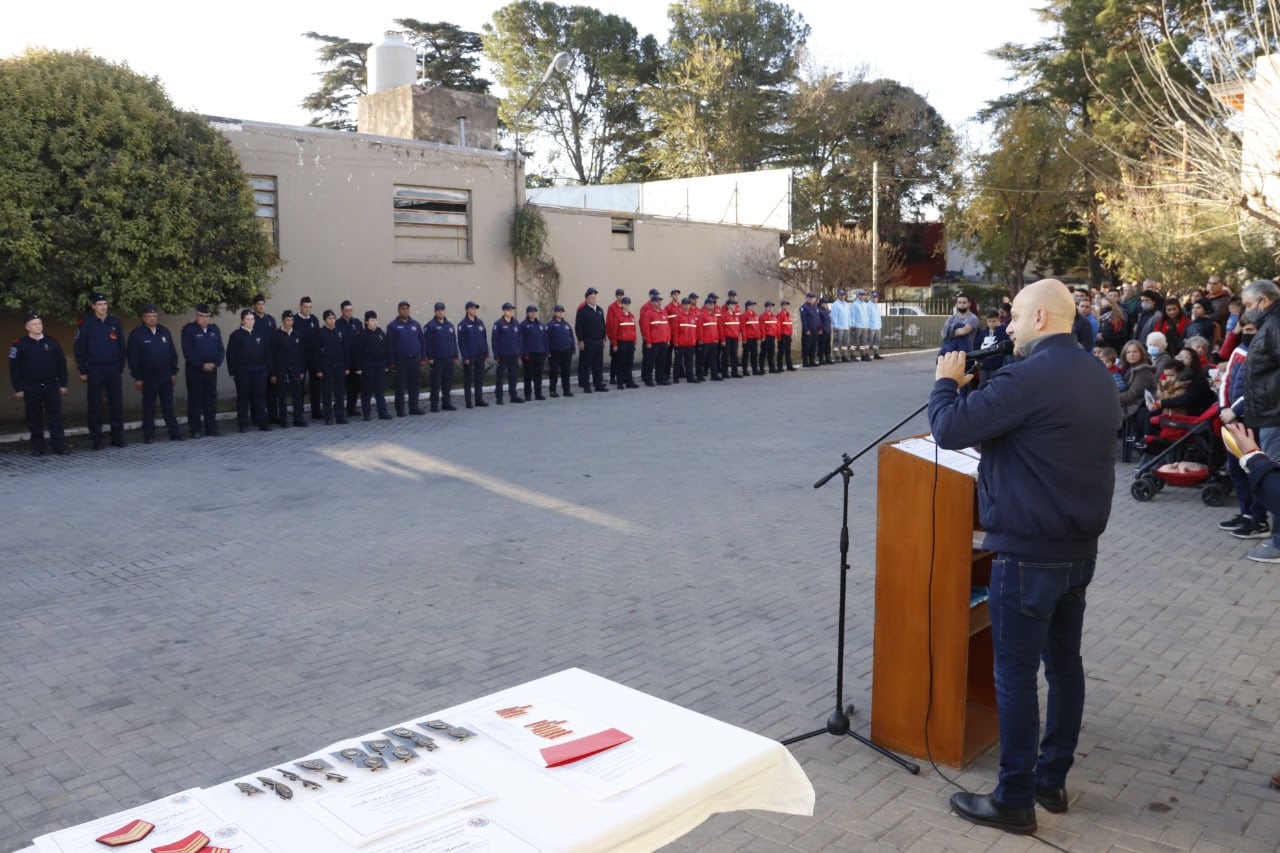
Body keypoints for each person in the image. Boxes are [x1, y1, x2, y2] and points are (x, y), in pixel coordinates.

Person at [930, 279, 1119, 836]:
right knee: (1064, 667)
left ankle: (1014, 799)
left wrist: (946, 382)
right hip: (1077, 551)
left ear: (1039, 317)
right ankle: (1050, 779)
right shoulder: (1094, 373)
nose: (1006, 327)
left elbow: (949, 428)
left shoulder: (1030, 376)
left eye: (1013, 317)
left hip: (1028, 552)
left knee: (1013, 675)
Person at [1220, 279, 1280, 562]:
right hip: (1266, 413)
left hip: (1274, 415)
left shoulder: (1276, 324)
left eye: (1247, 305)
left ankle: (1279, 542)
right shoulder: (1270, 324)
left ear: (1264, 301)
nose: (1245, 312)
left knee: (1272, 473)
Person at [9, 311, 69, 455]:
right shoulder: (19, 345)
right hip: (31, 387)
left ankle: (59, 446)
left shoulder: (52, 342)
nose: (38, 326)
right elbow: (14, 368)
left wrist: (63, 383)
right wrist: (18, 388)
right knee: (34, 418)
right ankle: (38, 448)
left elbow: (61, 364)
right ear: (27, 327)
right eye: (34, 324)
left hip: (51, 385)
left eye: (40, 323)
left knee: (55, 417)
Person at [74, 292, 127, 449]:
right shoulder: (86, 324)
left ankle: (117, 437)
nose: (103, 307)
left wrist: (120, 367)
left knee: (116, 403)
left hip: (113, 368)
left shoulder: (114, 322)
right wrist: (83, 370)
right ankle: (96, 438)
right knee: (95, 404)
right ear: (93, 306)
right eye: (99, 304)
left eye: (105, 304)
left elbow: (121, 347)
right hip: (95, 368)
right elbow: (79, 348)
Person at [126, 305, 182, 442]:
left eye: (155, 316)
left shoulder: (164, 332)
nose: (152, 319)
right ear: (144, 318)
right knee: (149, 406)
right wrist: (137, 377)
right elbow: (133, 357)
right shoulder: (137, 334)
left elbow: (172, 353)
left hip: (165, 374)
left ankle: (174, 433)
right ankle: (148, 435)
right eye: (149, 316)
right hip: (148, 376)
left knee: (168, 405)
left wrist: (173, 372)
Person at [225, 308, 273, 432]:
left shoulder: (259, 334)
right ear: (242, 320)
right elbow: (230, 355)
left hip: (259, 371)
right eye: (248, 319)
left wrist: (268, 369)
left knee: (260, 397)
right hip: (242, 373)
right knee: (243, 398)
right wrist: (233, 372)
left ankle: (263, 423)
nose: (250, 321)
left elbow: (267, 352)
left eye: (252, 319)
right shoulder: (236, 335)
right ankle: (243, 424)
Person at [181, 305, 224, 438]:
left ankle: (211, 428)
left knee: (210, 399)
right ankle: (195, 429)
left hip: (211, 370)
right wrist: (202, 365)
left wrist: (215, 364)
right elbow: (188, 352)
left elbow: (221, 350)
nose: (204, 319)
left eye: (207, 316)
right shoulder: (189, 330)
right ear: (196, 316)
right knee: (195, 399)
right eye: (201, 316)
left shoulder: (214, 329)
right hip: (195, 371)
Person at [268, 310, 308, 428]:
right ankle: (284, 420)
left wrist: (301, 370)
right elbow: (272, 355)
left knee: (297, 394)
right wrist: (273, 373)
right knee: (282, 395)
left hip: (295, 368)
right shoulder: (276, 335)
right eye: (287, 320)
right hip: (281, 368)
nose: (289, 322)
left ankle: (298, 419)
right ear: (283, 320)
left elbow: (301, 354)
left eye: (291, 320)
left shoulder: (297, 334)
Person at [387, 300, 426, 416]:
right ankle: (400, 410)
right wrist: (392, 362)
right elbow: (389, 346)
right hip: (401, 360)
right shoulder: (392, 326)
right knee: (400, 386)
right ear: (398, 310)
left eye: (407, 308)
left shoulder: (415, 324)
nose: (405, 310)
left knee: (414, 385)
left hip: (414, 359)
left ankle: (414, 408)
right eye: (403, 309)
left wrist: (423, 357)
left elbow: (422, 341)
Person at [312, 309, 351, 424]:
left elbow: (345, 350)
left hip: (339, 365)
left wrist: (346, 366)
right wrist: (318, 369)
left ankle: (340, 416)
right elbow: (316, 353)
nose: (332, 321)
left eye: (333, 318)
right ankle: (328, 417)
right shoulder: (320, 333)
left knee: (339, 392)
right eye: (329, 318)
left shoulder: (339, 332)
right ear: (325, 320)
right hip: (326, 366)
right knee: (327, 392)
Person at [354, 310, 392, 420]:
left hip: (380, 365)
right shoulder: (362, 334)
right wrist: (359, 368)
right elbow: (358, 352)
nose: (375, 322)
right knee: (367, 391)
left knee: (380, 390)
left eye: (376, 320)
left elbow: (386, 348)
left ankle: (383, 413)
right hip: (368, 365)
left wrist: (386, 364)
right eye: (372, 320)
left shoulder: (380, 332)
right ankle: (367, 413)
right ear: (366, 322)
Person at [424, 302, 459, 412]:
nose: (440, 312)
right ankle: (434, 405)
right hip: (437, 359)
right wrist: (429, 357)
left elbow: (454, 340)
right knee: (435, 383)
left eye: (442, 310)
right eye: (438, 310)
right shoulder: (430, 326)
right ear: (435, 312)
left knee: (447, 382)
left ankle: (446, 403)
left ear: (445, 311)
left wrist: (455, 354)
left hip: (449, 358)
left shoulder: (449, 325)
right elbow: (427, 343)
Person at [457, 301, 489, 408]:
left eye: (475, 308)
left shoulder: (480, 322)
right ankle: (468, 401)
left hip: (480, 354)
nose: (474, 310)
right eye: (472, 308)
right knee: (468, 379)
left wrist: (486, 352)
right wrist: (465, 356)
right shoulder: (463, 324)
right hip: (469, 356)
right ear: (467, 310)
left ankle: (479, 399)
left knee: (479, 378)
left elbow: (484, 338)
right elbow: (461, 342)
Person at [294, 296, 323, 420]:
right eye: (305, 307)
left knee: (316, 385)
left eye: (310, 307)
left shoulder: (314, 319)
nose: (307, 309)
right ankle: (299, 414)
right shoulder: (294, 320)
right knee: (299, 386)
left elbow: (318, 338)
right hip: (299, 358)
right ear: (300, 306)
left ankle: (316, 412)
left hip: (313, 357)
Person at [575, 287, 608, 392]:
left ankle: (598, 384)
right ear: (587, 299)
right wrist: (580, 340)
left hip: (598, 341)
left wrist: (603, 337)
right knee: (586, 365)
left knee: (598, 364)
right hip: (588, 342)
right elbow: (578, 327)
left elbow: (603, 324)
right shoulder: (582, 311)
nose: (593, 299)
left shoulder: (599, 310)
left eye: (594, 297)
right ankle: (586, 385)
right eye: (591, 297)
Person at [491, 302, 524, 404]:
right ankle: (499, 398)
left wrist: (519, 351)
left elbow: (519, 338)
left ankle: (513, 396)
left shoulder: (516, 323)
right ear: (504, 311)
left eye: (511, 310)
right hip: (502, 355)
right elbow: (494, 340)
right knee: (500, 377)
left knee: (513, 376)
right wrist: (496, 354)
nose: (510, 312)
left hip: (514, 354)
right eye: (508, 310)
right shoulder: (498, 324)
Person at [336, 300, 363, 419]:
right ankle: (339, 408)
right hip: (342, 360)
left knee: (355, 386)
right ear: (342, 311)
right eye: (346, 310)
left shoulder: (357, 323)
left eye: (351, 310)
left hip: (356, 359)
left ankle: (351, 407)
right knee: (341, 386)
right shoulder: (337, 324)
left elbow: (361, 340)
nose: (349, 312)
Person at [639, 293, 670, 386]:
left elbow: (667, 327)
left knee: (661, 362)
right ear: (652, 302)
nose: (659, 303)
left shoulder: (664, 312)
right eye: (657, 301)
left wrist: (668, 339)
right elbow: (646, 328)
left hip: (663, 342)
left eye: (660, 301)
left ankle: (660, 379)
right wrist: (648, 341)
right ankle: (648, 379)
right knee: (650, 362)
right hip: (653, 342)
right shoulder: (648, 313)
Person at [518, 305, 548, 400]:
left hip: (540, 353)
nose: (533, 313)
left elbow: (545, 339)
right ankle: (527, 395)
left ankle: (538, 394)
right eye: (531, 312)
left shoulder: (540, 325)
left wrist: (546, 352)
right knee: (528, 375)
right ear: (527, 313)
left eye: (534, 312)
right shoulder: (523, 325)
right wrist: (524, 353)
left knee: (538, 375)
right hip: (529, 354)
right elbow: (521, 340)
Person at [546, 304, 576, 398]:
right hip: (555, 352)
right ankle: (552, 391)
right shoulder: (550, 325)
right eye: (559, 311)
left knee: (566, 372)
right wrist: (548, 352)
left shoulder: (566, 324)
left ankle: (566, 390)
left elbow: (571, 337)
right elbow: (546, 339)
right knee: (554, 372)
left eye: (562, 311)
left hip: (566, 352)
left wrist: (573, 348)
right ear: (555, 313)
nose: (561, 313)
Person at [976, 308, 1010, 388]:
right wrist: (977, 359)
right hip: (983, 364)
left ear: (998, 320)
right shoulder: (983, 332)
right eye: (989, 321)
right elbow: (977, 345)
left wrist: (998, 329)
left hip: (996, 364)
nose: (991, 324)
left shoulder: (1003, 331)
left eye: (994, 321)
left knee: (994, 385)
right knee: (982, 385)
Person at [613, 297, 639, 389]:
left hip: (630, 342)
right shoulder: (618, 316)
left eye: (628, 303)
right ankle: (620, 383)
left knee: (629, 363)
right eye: (625, 303)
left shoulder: (631, 316)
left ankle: (629, 382)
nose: (627, 305)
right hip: (622, 342)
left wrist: (635, 340)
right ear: (622, 305)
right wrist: (615, 344)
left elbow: (634, 329)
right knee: (621, 363)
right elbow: (615, 331)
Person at [697, 294, 723, 381]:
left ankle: (714, 375)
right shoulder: (701, 315)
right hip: (705, 341)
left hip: (713, 341)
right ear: (706, 305)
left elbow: (716, 328)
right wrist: (700, 339)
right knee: (702, 359)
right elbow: (699, 328)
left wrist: (717, 338)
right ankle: (699, 375)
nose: (713, 305)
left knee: (713, 359)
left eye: (713, 304)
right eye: (711, 304)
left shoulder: (713, 315)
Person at [673, 298, 699, 383]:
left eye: (688, 304)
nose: (687, 306)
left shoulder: (693, 316)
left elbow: (695, 330)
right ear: (682, 305)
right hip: (681, 343)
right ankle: (675, 378)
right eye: (685, 304)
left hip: (690, 343)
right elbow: (675, 330)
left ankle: (690, 378)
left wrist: (694, 340)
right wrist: (676, 342)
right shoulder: (678, 316)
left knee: (689, 361)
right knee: (678, 362)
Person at [606, 288, 626, 387]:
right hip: (615, 336)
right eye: (619, 295)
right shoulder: (612, 307)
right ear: (616, 296)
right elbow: (609, 323)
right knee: (615, 358)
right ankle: (613, 377)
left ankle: (622, 376)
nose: (620, 297)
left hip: (624, 336)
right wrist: (611, 338)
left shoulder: (625, 306)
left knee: (623, 358)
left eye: (622, 295)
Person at [663, 289, 683, 383]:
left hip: (679, 335)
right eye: (674, 294)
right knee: (668, 355)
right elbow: (666, 322)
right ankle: (666, 373)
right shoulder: (668, 308)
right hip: (670, 335)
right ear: (671, 296)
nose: (676, 296)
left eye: (677, 294)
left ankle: (680, 372)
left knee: (679, 355)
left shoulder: (681, 307)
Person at [721, 299, 743, 378]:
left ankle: (735, 372)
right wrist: (723, 339)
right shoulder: (724, 316)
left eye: (735, 304)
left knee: (734, 355)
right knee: (726, 356)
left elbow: (738, 328)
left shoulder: (736, 316)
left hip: (735, 338)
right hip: (727, 338)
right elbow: (721, 328)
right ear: (728, 306)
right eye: (732, 304)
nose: (734, 306)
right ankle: (725, 372)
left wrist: (738, 337)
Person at [740, 300, 761, 376]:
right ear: (747, 307)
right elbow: (743, 328)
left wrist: (758, 336)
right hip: (748, 338)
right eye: (751, 305)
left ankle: (755, 369)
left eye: (753, 305)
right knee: (746, 354)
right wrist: (744, 338)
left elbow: (757, 327)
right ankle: (744, 370)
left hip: (754, 337)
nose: (753, 307)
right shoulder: (744, 315)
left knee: (754, 354)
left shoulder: (755, 315)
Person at [830, 289, 852, 362]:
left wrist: (849, 324)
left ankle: (844, 356)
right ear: (838, 296)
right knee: (837, 342)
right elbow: (834, 316)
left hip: (846, 326)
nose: (843, 296)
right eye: (841, 295)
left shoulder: (846, 304)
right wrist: (835, 326)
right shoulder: (835, 304)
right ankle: (836, 356)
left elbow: (848, 315)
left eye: (844, 295)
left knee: (845, 343)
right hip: (839, 326)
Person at [799, 292, 820, 367]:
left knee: (813, 346)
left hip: (815, 330)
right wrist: (806, 329)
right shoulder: (804, 307)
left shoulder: (815, 307)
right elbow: (804, 319)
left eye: (812, 298)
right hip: (808, 330)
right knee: (806, 346)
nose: (811, 299)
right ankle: (805, 361)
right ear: (807, 298)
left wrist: (819, 327)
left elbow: (818, 318)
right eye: (810, 298)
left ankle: (812, 360)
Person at [760, 301, 779, 373]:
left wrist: (776, 335)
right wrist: (763, 336)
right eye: (769, 306)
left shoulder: (773, 316)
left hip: (772, 337)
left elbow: (775, 327)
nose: (771, 308)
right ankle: (761, 368)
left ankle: (772, 368)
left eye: (772, 306)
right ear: (766, 307)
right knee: (764, 353)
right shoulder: (763, 316)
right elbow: (761, 327)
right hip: (766, 337)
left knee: (771, 353)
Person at [778, 299, 796, 371]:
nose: (786, 306)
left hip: (788, 335)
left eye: (787, 305)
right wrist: (779, 336)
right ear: (782, 306)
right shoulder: (780, 315)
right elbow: (778, 326)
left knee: (788, 351)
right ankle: (780, 366)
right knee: (781, 351)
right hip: (782, 335)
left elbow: (790, 325)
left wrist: (791, 334)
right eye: (784, 305)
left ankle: (789, 366)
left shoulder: (788, 315)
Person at [867, 291, 884, 360]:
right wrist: (867, 326)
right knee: (869, 341)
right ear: (871, 298)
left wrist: (880, 325)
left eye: (876, 297)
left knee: (877, 341)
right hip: (871, 326)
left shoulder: (877, 305)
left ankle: (876, 353)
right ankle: (866, 354)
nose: (875, 298)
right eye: (874, 297)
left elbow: (878, 316)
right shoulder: (869, 305)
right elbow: (867, 317)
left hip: (877, 326)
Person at [817, 297, 833, 364]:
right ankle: (821, 359)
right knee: (821, 345)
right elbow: (819, 320)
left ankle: (828, 358)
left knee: (827, 345)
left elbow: (828, 320)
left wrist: (830, 328)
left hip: (827, 329)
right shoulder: (819, 310)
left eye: (826, 303)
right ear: (821, 303)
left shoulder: (826, 310)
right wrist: (820, 329)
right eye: (824, 303)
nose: (825, 304)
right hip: (822, 330)